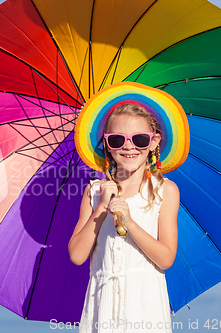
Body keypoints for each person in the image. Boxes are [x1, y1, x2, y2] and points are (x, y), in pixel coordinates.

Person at [71, 82, 189, 333]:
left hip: (145, 311)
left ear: (154, 141)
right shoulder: (94, 193)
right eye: (117, 139)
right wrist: (101, 208)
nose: (128, 147)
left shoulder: (165, 192)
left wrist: (131, 223)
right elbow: (77, 255)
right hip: (101, 312)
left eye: (139, 139)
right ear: (106, 143)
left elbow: (166, 257)